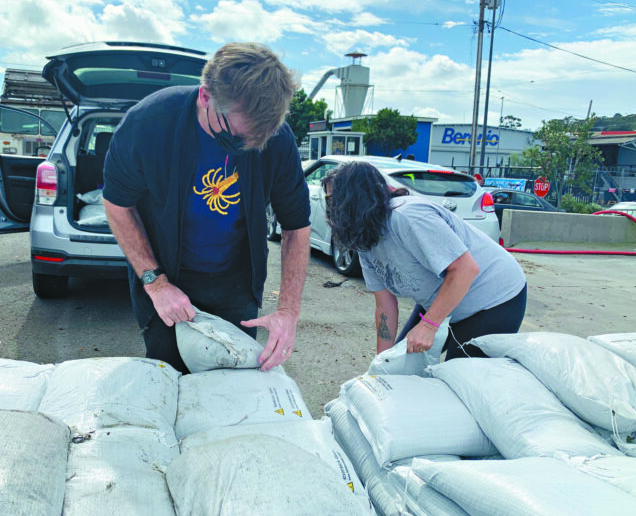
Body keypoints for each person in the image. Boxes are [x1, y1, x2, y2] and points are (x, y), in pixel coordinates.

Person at [102, 42, 311, 373]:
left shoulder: (276, 139)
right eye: (236, 138)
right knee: (166, 375)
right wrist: (155, 283)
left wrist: (288, 311)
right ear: (205, 97)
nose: (248, 148)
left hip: (236, 282)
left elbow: (296, 227)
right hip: (168, 272)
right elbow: (117, 205)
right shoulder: (148, 125)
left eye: (256, 140)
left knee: (232, 382)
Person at [322, 161, 526, 360]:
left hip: (494, 298)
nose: (332, 210)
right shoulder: (365, 238)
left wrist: (429, 325)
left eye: (335, 200)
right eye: (328, 200)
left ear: (357, 197)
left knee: (458, 375)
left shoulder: (407, 217)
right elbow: (385, 305)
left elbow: (465, 269)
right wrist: (382, 362)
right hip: (442, 298)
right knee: (399, 364)